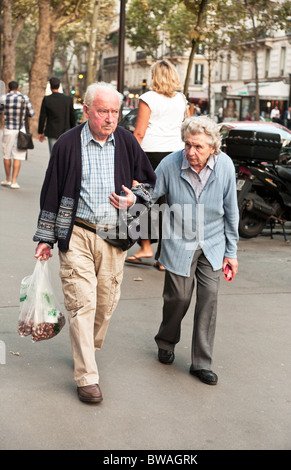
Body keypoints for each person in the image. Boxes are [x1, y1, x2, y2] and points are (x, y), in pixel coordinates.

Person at [33, 82, 156, 404]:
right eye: (103, 111)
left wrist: (135, 199)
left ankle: (87, 345)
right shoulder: (67, 145)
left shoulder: (127, 142)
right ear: (86, 110)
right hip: (76, 233)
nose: (110, 118)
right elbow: (51, 193)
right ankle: (87, 376)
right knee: (82, 303)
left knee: (105, 305)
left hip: (114, 237)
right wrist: (46, 237)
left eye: (114, 111)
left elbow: (148, 183)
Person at [152, 116, 239, 386]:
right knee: (178, 298)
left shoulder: (225, 166)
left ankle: (201, 362)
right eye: (188, 145)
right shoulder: (169, 164)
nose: (191, 152)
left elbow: (231, 210)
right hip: (179, 241)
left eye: (199, 147)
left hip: (213, 243)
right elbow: (150, 195)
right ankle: (166, 341)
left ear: (213, 146)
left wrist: (231, 252)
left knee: (209, 300)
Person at [125, 59, 188, 271]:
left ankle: (145, 247)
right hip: (176, 154)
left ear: (155, 76)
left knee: (143, 198)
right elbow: (186, 127)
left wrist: (129, 158)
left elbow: (140, 132)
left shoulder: (148, 98)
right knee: (170, 204)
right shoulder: (181, 99)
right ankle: (163, 257)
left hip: (151, 154)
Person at [0, 80, 35, 189]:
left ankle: (7, 179)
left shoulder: (3, 98)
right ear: (18, 88)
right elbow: (32, 114)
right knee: (17, 156)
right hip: (21, 130)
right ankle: (14, 181)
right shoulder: (24, 98)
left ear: (9, 88)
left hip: (8, 129)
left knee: (6, 155)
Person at [38, 77, 76, 153]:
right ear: (59, 86)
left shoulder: (47, 99)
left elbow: (42, 116)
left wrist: (40, 132)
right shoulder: (68, 99)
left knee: (53, 154)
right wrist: (73, 130)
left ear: (50, 86)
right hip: (66, 131)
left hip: (52, 131)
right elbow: (72, 116)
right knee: (64, 154)